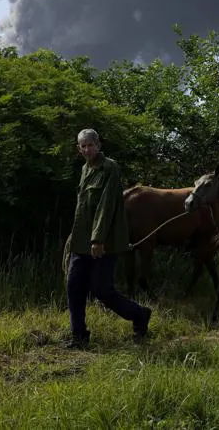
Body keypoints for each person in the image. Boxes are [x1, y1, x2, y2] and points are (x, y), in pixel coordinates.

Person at [64, 128, 152, 348]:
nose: (87, 149)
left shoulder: (110, 168)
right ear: (79, 148)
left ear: (98, 145)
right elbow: (82, 209)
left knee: (102, 290)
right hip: (81, 241)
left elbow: (106, 205)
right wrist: (73, 239)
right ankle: (79, 336)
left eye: (90, 145)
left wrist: (97, 239)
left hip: (104, 242)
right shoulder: (84, 169)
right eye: (83, 146)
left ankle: (140, 315)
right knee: (73, 286)